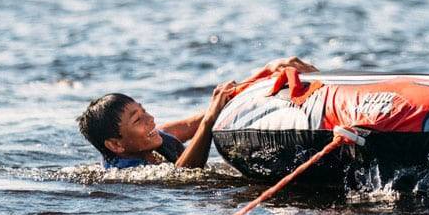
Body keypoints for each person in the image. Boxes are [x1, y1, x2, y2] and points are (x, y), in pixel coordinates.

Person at [77, 57, 317, 169]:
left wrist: (263, 75)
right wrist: (210, 123)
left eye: (144, 111)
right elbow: (184, 173)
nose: (151, 119)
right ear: (116, 145)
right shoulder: (129, 170)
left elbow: (198, 120)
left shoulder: (151, 139)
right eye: (138, 119)